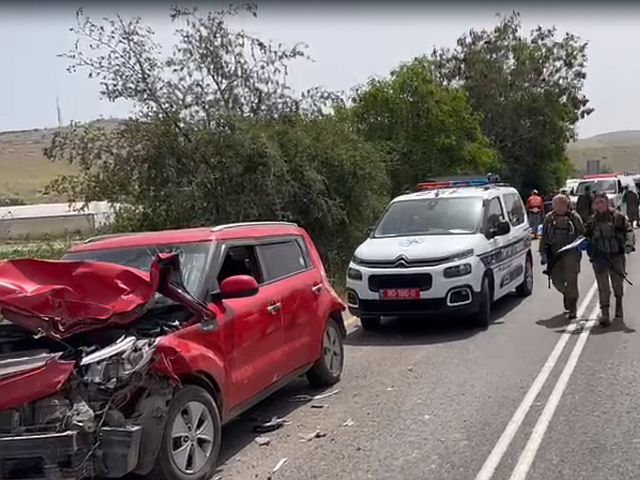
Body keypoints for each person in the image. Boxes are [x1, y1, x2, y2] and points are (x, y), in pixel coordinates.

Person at [585, 192, 635, 326]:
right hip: (599, 258)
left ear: (607, 202)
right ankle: (605, 313)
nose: (599, 205)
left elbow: (629, 230)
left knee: (617, 284)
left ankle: (619, 304)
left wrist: (629, 244)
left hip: (616, 256)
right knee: (603, 287)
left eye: (602, 202)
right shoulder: (591, 221)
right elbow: (586, 237)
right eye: (597, 203)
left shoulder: (618, 217)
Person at [539, 194, 585, 320]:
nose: (559, 207)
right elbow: (544, 236)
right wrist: (542, 253)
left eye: (562, 204)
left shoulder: (574, 217)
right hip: (555, 254)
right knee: (556, 281)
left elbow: (582, 232)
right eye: (557, 204)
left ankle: (572, 308)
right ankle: (567, 294)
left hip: (571, 254)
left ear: (567, 205)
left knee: (571, 281)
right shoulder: (549, 218)